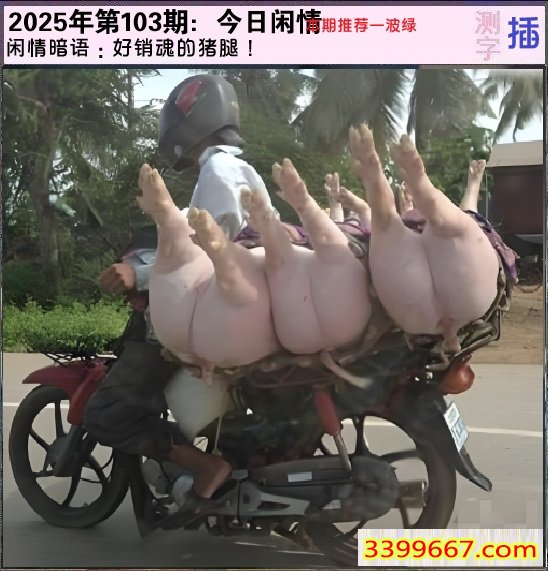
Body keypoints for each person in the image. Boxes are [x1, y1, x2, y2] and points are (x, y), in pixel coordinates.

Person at [83, 74, 276, 522]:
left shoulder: (218, 172)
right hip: (234, 306)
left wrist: (138, 272)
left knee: (107, 413)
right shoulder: (240, 170)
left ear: (190, 120)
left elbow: (210, 248)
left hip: (203, 314)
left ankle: (205, 466)